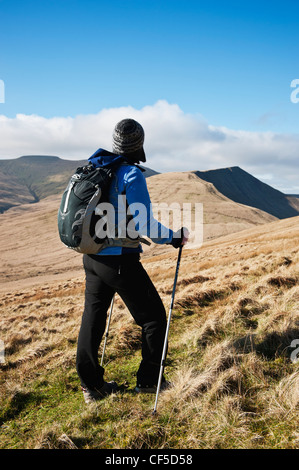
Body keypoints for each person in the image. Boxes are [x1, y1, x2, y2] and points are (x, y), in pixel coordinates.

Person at [76, 118, 188, 403]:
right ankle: (149, 382)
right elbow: (145, 225)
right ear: (139, 145)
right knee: (153, 318)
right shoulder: (130, 175)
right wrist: (174, 237)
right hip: (120, 261)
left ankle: (92, 387)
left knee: (92, 320)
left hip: (92, 258)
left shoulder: (97, 168)